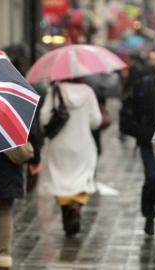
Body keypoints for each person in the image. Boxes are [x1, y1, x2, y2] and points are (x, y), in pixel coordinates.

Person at [39, 79, 102, 237]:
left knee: (61, 180)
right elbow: (96, 121)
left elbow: (44, 118)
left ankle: (67, 211)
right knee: (80, 179)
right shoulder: (88, 91)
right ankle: (76, 206)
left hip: (59, 145)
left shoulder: (54, 91)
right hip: (82, 144)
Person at [123, 63, 155, 235]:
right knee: (153, 178)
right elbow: (127, 111)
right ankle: (149, 214)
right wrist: (140, 132)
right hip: (148, 143)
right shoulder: (144, 85)